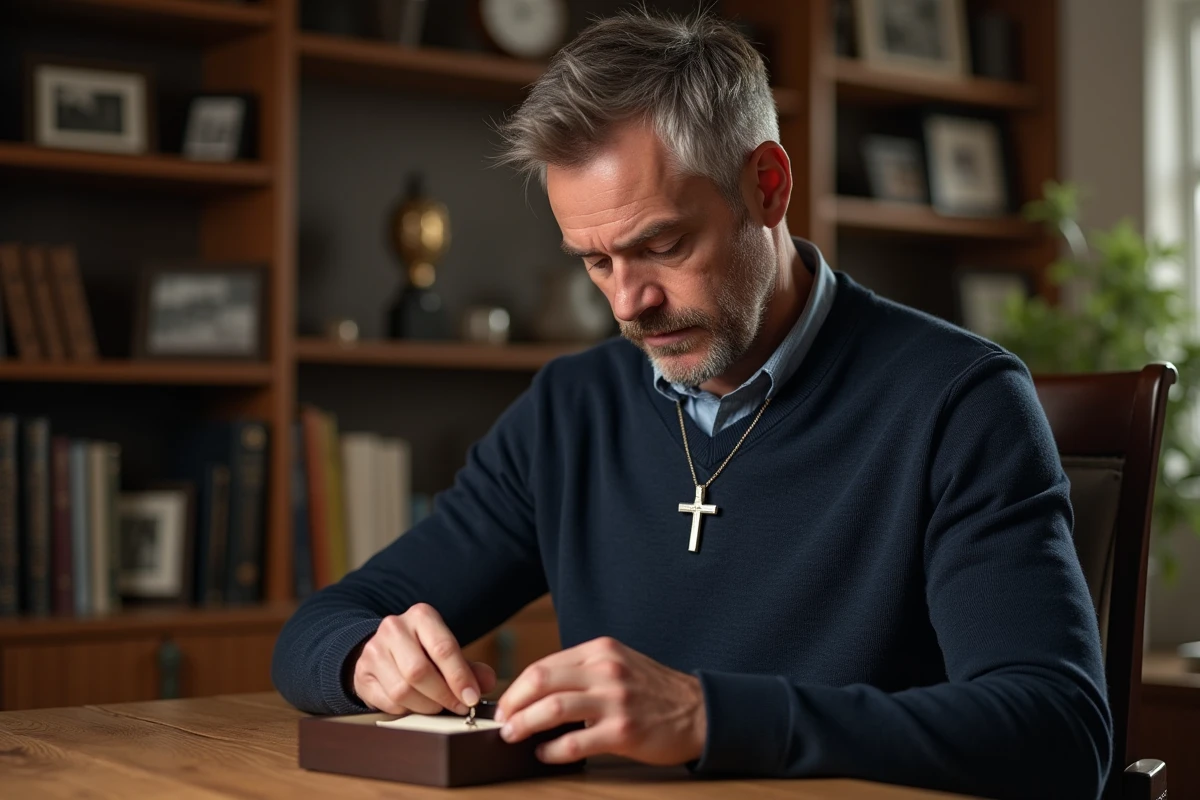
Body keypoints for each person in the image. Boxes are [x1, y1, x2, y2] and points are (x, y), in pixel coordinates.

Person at [273, 10, 1112, 799]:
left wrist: (710, 718)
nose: (628, 303)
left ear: (768, 187)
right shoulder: (571, 408)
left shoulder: (959, 402)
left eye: (662, 245)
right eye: (594, 262)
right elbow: (321, 625)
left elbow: (1059, 731)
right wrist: (364, 659)